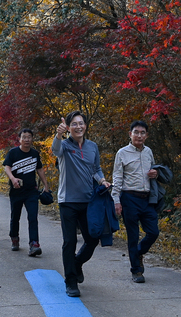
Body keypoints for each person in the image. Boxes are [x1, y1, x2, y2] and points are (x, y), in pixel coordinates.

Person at [52, 111, 110, 297]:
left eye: (81, 123)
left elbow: (96, 169)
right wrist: (58, 134)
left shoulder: (92, 146)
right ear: (69, 127)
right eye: (74, 124)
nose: (78, 126)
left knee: (93, 239)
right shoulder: (65, 146)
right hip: (68, 201)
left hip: (88, 201)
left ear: (85, 125)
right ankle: (70, 282)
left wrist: (102, 181)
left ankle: (76, 264)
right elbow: (55, 150)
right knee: (69, 242)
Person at [112, 120, 170, 283]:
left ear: (146, 135)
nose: (139, 135)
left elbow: (152, 172)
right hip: (129, 198)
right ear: (130, 134)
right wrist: (116, 199)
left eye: (142, 132)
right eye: (136, 132)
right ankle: (136, 270)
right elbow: (117, 177)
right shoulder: (122, 153)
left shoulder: (148, 152)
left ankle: (138, 253)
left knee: (153, 232)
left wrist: (155, 174)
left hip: (147, 199)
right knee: (133, 235)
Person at [4, 128, 49, 257]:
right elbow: (7, 167)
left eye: (29, 137)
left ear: (32, 139)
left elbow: (39, 170)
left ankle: (34, 243)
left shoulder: (34, 154)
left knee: (33, 217)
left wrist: (46, 185)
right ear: (20, 139)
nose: (27, 139)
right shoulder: (13, 153)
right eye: (24, 137)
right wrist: (12, 179)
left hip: (31, 191)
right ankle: (14, 238)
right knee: (15, 216)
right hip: (16, 191)